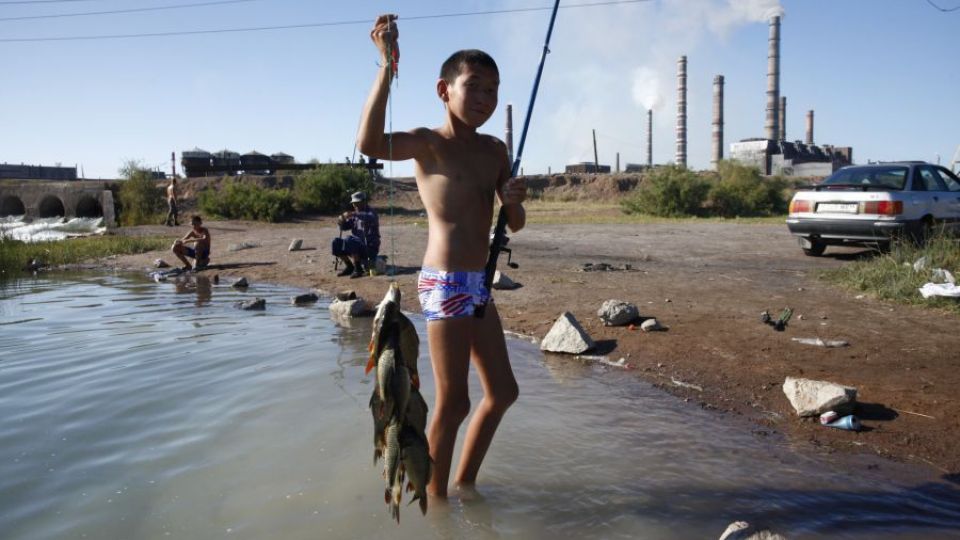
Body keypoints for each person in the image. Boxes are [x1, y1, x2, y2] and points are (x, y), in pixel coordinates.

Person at [357, 15, 527, 499]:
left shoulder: (496, 150)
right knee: (453, 403)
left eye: (492, 91)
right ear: (443, 89)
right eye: (474, 87)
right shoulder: (429, 144)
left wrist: (513, 197)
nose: (484, 99)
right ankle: (436, 507)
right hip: (446, 282)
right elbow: (369, 143)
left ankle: (463, 487)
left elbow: (513, 223)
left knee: (503, 393)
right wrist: (387, 67)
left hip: (479, 283)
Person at [332, 191, 381, 278]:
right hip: (356, 247)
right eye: (354, 203)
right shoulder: (355, 216)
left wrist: (352, 214)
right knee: (336, 242)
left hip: (369, 248)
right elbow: (345, 227)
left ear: (364, 201)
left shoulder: (371, 212)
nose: (356, 205)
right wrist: (341, 222)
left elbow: (370, 217)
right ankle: (350, 266)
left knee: (350, 239)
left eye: (358, 203)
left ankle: (358, 269)